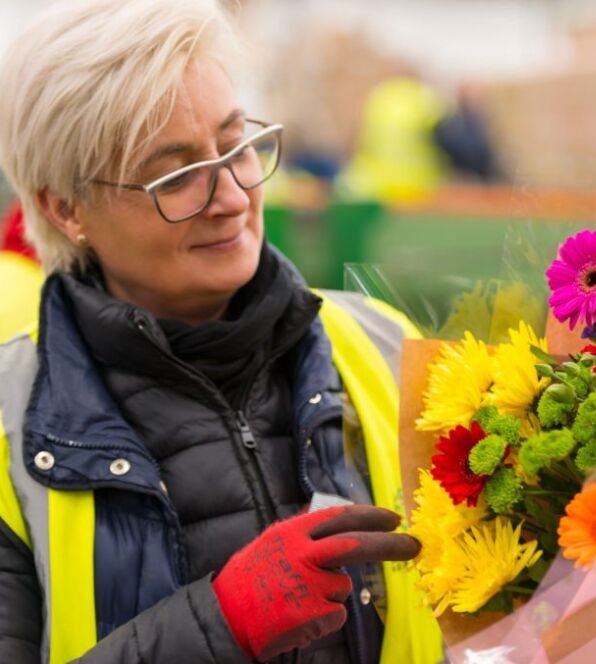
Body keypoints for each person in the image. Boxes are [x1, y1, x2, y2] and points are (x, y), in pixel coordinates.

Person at [0, 1, 443, 662]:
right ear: (65, 208)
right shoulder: (11, 427)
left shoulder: (384, 343)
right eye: (176, 176)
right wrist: (217, 625)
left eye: (238, 145)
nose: (233, 195)